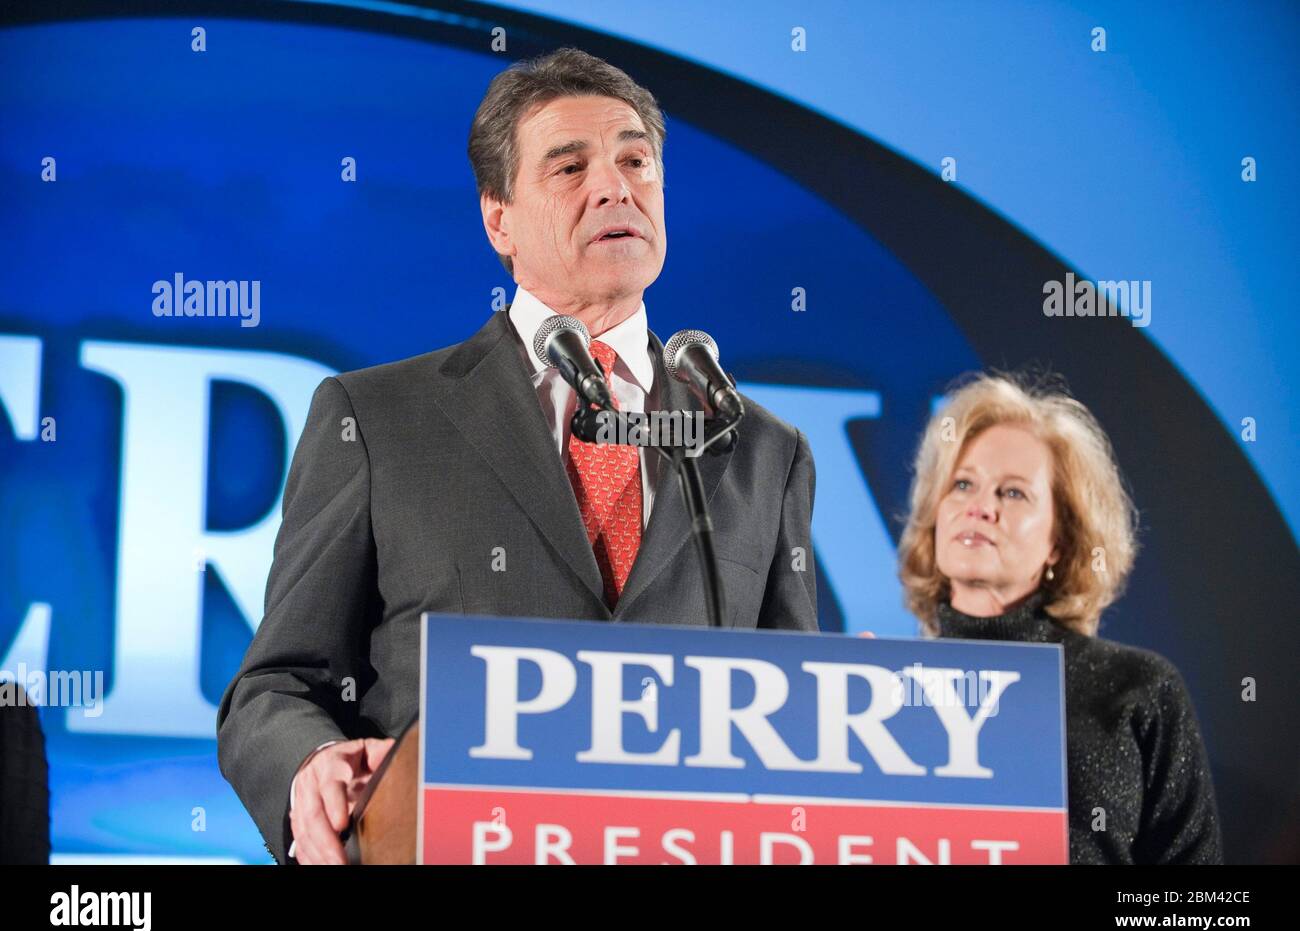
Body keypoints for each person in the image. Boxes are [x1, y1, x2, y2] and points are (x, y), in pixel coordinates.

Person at [216, 48, 818, 865]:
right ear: (498, 217)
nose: (616, 186)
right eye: (570, 166)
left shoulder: (759, 449)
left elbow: (799, 719)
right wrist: (309, 764)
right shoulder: (378, 419)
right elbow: (275, 686)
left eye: (636, 160)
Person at [896, 372, 1222, 864]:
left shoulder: (1139, 690)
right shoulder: (881, 691)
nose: (979, 508)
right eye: (962, 484)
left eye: (1013, 493)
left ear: (1060, 542)